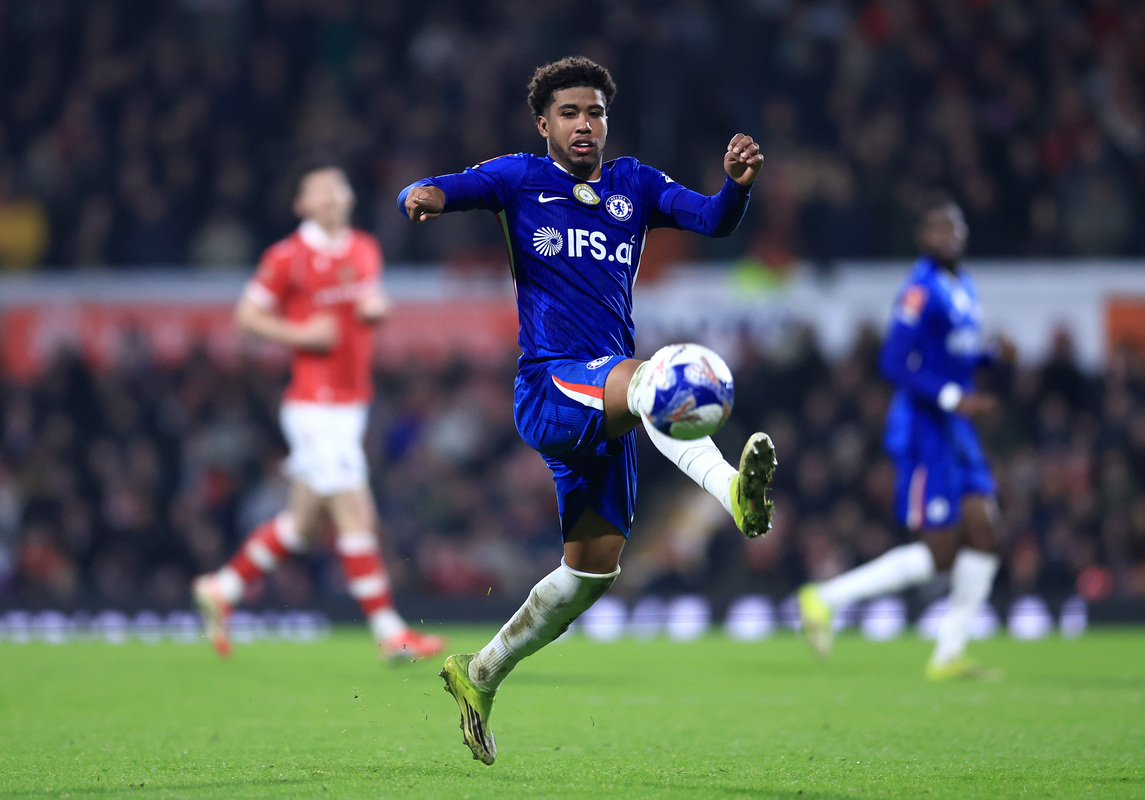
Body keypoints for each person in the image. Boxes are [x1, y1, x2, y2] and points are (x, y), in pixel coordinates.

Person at [398, 56, 776, 765]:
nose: (584, 124)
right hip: (551, 384)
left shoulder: (635, 184)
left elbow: (713, 221)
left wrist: (737, 186)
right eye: (569, 113)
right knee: (652, 377)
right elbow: (443, 188)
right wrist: (418, 197)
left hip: (606, 401)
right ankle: (731, 490)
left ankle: (480, 673)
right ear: (544, 124)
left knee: (593, 573)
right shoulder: (518, 178)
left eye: (595, 112)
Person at [192, 157, 445, 663]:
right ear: (302, 205)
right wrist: (299, 334)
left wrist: (378, 309)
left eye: (338, 188)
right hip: (315, 404)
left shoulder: (364, 248)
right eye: (320, 191)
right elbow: (246, 316)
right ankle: (388, 631)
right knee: (356, 511)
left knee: (302, 526)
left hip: (351, 403)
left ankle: (223, 587)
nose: (331, 197)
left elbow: (371, 299)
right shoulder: (287, 257)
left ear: (349, 198)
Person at [798, 193, 1010, 680]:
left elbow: (954, 359)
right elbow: (893, 362)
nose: (948, 235)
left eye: (954, 227)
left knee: (985, 533)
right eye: (938, 228)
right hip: (925, 429)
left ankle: (948, 653)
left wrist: (992, 356)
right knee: (939, 553)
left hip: (956, 429)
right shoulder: (920, 289)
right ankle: (823, 598)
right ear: (922, 238)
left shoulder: (964, 285)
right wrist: (955, 398)